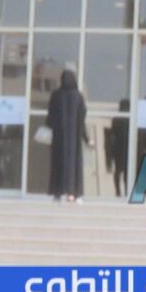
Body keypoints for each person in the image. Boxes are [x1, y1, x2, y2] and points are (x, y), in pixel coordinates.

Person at [47, 69, 92, 202]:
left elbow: (50, 117)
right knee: (73, 165)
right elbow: (81, 119)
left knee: (58, 165)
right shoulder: (78, 97)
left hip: (59, 138)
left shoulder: (56, 95)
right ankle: (72, 193)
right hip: (74, 139)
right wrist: (86, 138)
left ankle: (57, 192)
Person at [110, 98, 130, 199]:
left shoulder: (116, 119)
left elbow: (112, 135)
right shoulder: (129, 118)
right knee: (126, 172)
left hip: (118, 149)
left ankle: (118, 192)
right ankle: (126, 192)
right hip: (127, 148)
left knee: (118, 171)